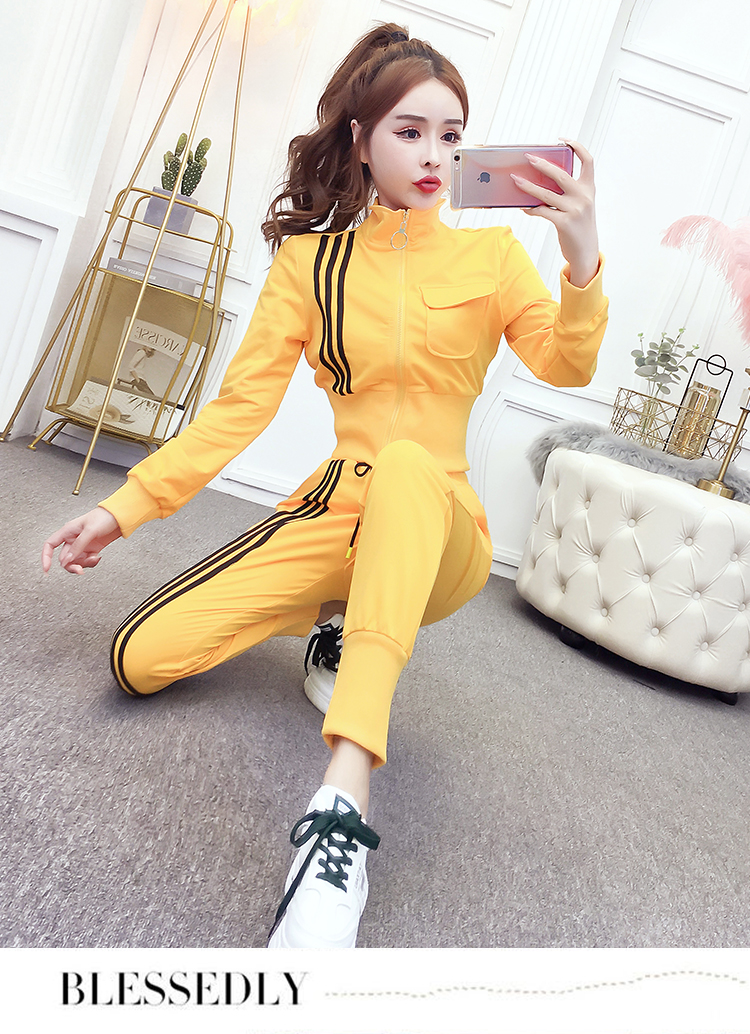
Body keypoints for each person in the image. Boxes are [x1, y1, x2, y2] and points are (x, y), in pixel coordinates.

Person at [41, 23, 607, 949]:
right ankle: (336, 614)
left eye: (452, 135)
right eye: (410, 132)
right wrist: (124, 507)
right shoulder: (310, 265)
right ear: (361, 139)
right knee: (139, 659)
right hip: (336, 509)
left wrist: (581, 254)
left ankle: (341, 807)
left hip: (442, 528)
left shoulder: (496, 258)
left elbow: (567, 363)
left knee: (412, 463)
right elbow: (237, 411)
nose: (435, 155)